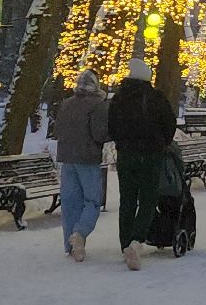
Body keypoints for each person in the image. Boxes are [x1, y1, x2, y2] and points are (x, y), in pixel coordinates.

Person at [106, 57, 178, 271]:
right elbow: (169, 124)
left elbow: (111, 127)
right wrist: (162, 143)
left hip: (126, 155)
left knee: (127, 199)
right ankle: (137, 241)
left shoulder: (119, 98)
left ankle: (125, 243)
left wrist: (122, 143)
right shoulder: (156, 98)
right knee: (148, 198)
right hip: (151, 155)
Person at [51, 71, 110, 262]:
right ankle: (80, 233)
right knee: (92, 200)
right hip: (89, 158)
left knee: (70, 201)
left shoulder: (66, 104)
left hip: (68, 158)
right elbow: (100, 133)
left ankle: (70, 244)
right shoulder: (98, 105)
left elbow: (57, 130)